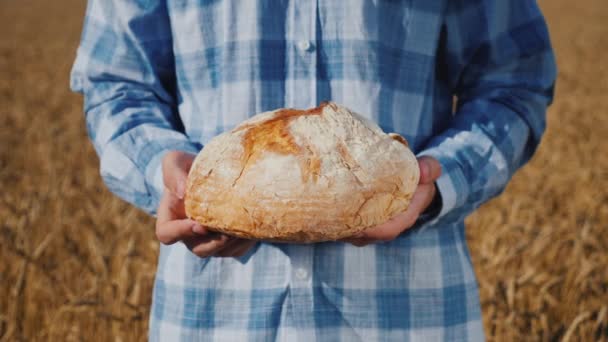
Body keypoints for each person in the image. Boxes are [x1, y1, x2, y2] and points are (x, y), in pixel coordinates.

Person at [71, 0, 556, 340]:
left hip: (409, 318)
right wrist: (169, 176)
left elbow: (515, 82)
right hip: (215, 320)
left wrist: (436, 179)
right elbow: (117, 83)